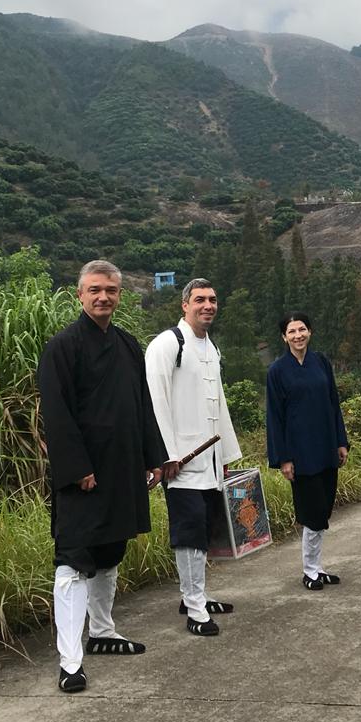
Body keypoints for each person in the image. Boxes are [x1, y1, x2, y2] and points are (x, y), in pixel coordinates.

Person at [37, 260, 166, 694]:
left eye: (110, 290)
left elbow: (142, 405)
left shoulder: (128, 345)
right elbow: (56, 414)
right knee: (74, 559)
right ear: (80, 295)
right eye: (94, 290)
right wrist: (78, 469)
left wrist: (153, 457)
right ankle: (70, 660)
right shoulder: (63, 347)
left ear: (119, 295)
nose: (103, 297)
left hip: (123, 467)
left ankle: (103, 632)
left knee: (111, 550)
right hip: (84, 475)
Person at [145, 279, 241, 636]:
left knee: (203, 531)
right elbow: (154, 401)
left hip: (210, 460)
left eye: (213, 299)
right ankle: (195, 608)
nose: (208, 305)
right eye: (200, 299)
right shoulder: (168, 344)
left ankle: (196, 596)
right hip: (181, 462)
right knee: (188, 534)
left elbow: (220, 402)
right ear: (184, 305)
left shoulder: (210, 346)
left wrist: (226, 454)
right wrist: (165, 456)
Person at [266, 312, 349, 590]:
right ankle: (310, 570)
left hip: (326, 445)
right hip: (300, 452)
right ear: (284, 337)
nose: (298, 335)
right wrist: (283, 459)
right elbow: (275, 417)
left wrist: (341, 441)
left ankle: (318, 567)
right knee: (312, 512)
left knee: (323, 509)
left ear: (310, 331)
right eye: (292, 331)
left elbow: (333, 403)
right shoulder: (277, 371)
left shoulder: (321, 362)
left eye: (302, 329)